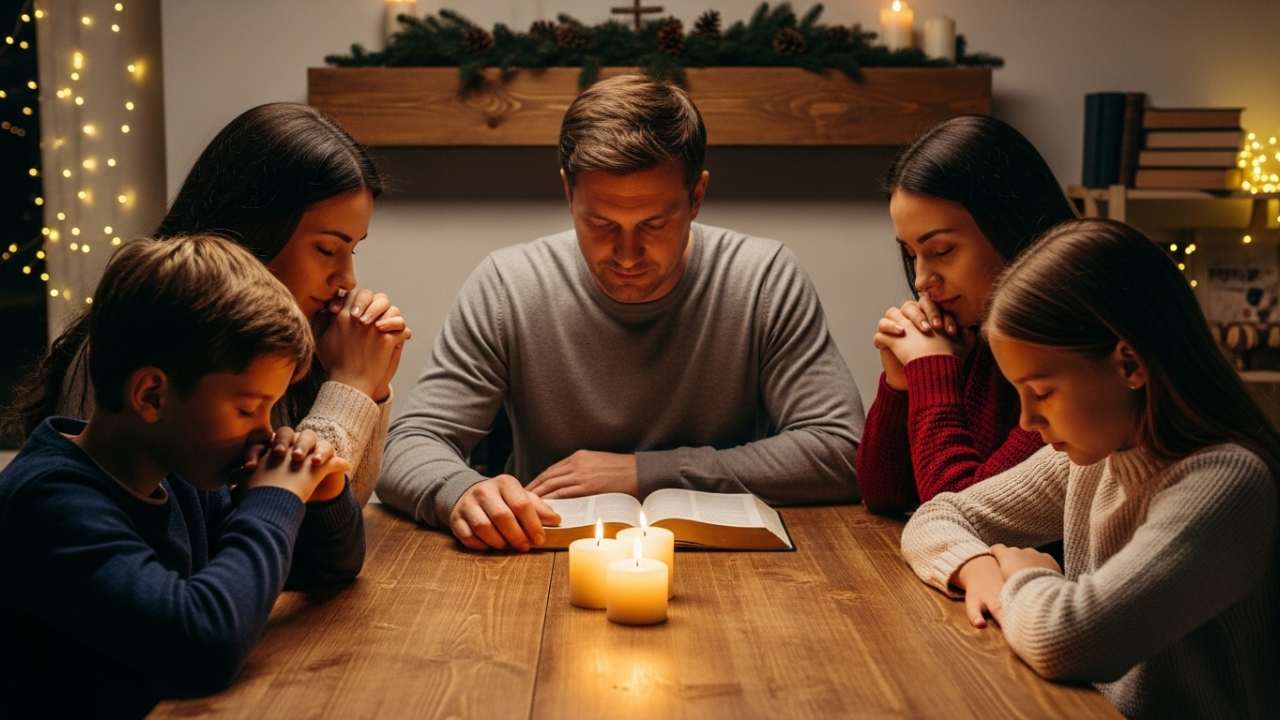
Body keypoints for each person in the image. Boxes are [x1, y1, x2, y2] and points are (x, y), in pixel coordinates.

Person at [380, 75, 865, 551]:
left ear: (696, 197)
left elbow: (841, 448)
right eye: (600, 223)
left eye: (654, 223)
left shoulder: (763, 278)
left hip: (740, 566)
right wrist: (460, 491)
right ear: (569, 193)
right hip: (539, 563)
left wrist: (644, 472)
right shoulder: (509, 284)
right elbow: (410, 443)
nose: (628, 254)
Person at [900, 219, 1280, 717]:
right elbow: (935, 516)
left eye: (1041, 393)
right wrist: (982, 574)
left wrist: (1025, 578)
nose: (1027, 419)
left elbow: (1069, 637)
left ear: (1129, 365)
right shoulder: (1096, 456)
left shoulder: (1227, 484)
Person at [0, 235, 366, 717]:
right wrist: (274, 498)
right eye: (248, 408)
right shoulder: (49, 502)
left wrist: (320, 493)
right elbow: (200, 643)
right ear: (152, 396)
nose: (267, 430)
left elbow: (323, 569)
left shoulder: (180, 473)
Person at [7, 102, 410, 505]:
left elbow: (341, 512)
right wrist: (350, 388)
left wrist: (369, 387)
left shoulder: (287, 341)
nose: (348, 279)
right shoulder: (146, 349)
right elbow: (264, 533)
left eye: (352, 250)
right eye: (326, 249)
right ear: (256, 230)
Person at [856, 115, 1077, 516]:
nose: (922, 280)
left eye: (941, 251)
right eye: (911, 254)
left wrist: (931, 369)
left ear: (1011, 226)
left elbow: (960, 513)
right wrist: (899, 384)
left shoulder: (1071, 357)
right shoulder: (973, 331)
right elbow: (883, 494)